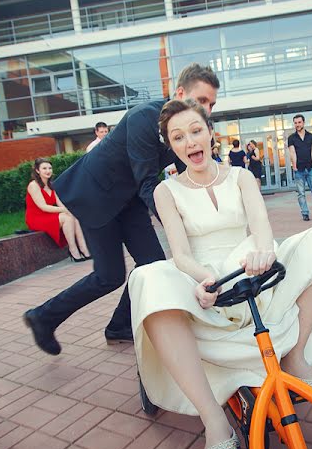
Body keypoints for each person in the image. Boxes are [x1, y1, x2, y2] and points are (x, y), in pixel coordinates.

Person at [128, 99, 312, 449]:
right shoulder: (165, 191)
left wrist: (264, 251)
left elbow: (261, 227)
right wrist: (204, 278)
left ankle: (295, 358)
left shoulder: (242, 176)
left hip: (255, 269)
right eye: (178, 137)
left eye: (195, 131)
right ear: (170, 147)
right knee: (145, 277)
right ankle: (215, 422)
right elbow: (181, 252)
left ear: (210, 133)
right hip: (208, 282)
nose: (189, 142)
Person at [23, 64, 220, 354]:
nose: (208, 109)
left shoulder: (185, 130)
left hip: (128, 200)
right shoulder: (145, 118)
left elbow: (189, 173)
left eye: (212, 103)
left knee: (153, 263)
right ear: (180, 93)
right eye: (202, 100)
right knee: (109, 275)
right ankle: (43, 316)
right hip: (95, 196)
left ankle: (119, 326)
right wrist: (178, 225)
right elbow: (148, 182)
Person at [25, 158, 91, 262]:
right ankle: (73, 250)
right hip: (37, 218)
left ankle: (84, 248)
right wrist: (65, 210)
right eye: (44, 168)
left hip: (48, 215)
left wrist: (69, 210)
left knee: (72, 215)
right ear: (37, 171)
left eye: (50, 168)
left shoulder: (51, 185)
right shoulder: (33, 185)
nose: (48, 171)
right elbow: (43, 206)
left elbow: (60, 203)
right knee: (66, 217)